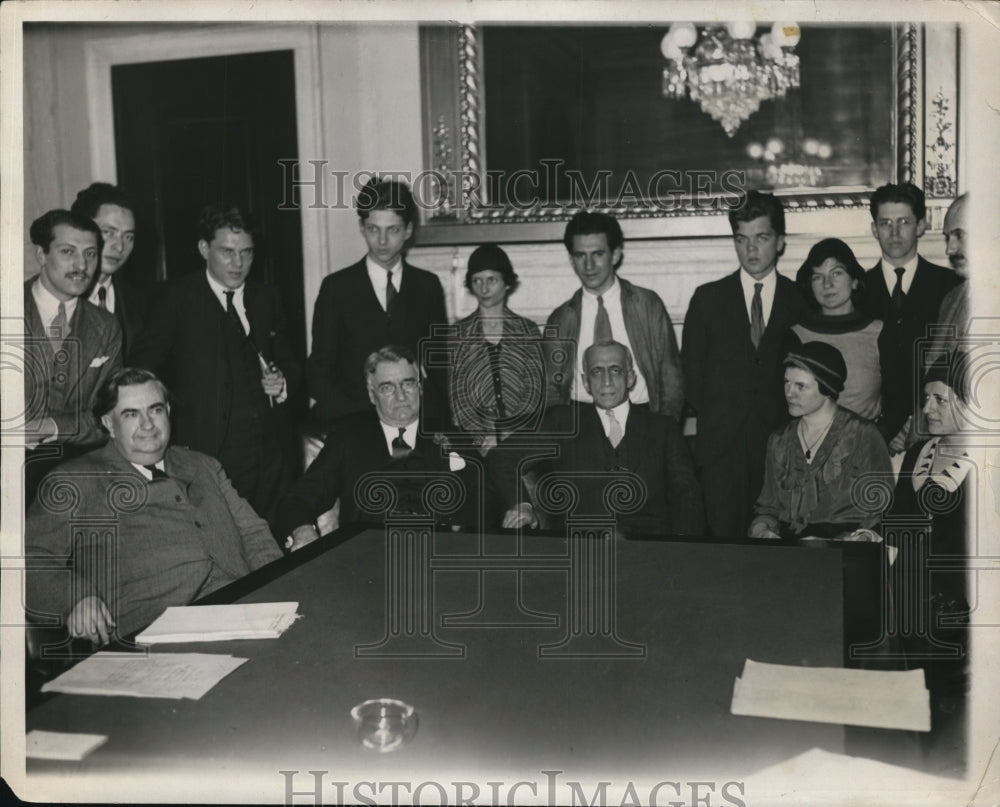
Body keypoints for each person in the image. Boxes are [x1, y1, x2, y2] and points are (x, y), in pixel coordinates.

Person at [25, 368, 283, 645]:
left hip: (246, 610)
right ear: (109, 424)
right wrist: (74, 598)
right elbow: (26, 559)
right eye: (132, 414)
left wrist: (277, 589)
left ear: (168, 411)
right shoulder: (74, 481)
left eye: (155, 410)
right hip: (155, 635)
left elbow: (254, 533)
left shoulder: (203, 465)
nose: (148, 424)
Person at [129, 204, 301, 527]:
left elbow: (289, 361)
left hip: (271, 458)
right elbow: (142, 369)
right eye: (227, 252)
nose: (238, 263)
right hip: (207, 457)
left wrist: (283, 381)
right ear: (204, 249)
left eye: (247, 253)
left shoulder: (268, 297)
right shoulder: (175, 299)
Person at [682, 190, 809, 538]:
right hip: (720, 455)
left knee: (774, 557)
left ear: (780, 242)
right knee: (723, 557)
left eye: (761, 238)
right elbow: (692, 378)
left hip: (782, 455)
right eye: (742, 239)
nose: (751, 250)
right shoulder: (708, 299)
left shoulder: (799, 301)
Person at [276, 345, 484, 550]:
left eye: (408, 384)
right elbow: (298, 499)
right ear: (371, 394)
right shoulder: (347, 442)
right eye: (387, 388)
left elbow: (486, 494)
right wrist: (303, 531)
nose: (401, 396)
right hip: (370, 560)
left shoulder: (453, 437)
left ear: (420, 387)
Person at [498, 341, 704, 537]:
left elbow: (687, 497)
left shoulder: (663, 428)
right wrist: (522, 506)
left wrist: (680, 551)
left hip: (649, 552)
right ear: (586, 382)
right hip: (581, 551)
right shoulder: (562, 422)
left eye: (615, 370)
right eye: (597, 371)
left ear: (630, 378)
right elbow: (503, 458)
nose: (607, 381)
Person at [307, 177, 449, 430]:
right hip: (352, 423)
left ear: (408, 230)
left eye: (392, 230)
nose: (382, 241)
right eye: (373, 229)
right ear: (362, 227)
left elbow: (438, 368)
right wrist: (354, 420)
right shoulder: (336, 288)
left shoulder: (428, 286)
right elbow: (319, 371)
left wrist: (430, 419)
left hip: (414, 422)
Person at [886, 353, 974, 752]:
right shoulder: (918, 452)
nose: (927, 409)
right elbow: (894, 527)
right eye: (926, 398)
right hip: (904, 603)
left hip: (958, 615)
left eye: (940, 399)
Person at [23, 209, 123, 504]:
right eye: (68, 251)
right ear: (41, 254)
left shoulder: (105, 327)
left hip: (77, 479)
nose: (82, 265)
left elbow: (108, 417)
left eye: (91, 254)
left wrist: (52, 426)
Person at [544, 210, 683, 418]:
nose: (589, 266)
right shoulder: (561, 318)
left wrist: (663, 435)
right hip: (582, 421)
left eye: (598, 254)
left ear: (615, 254)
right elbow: (550, 390)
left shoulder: (647, 305)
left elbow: (671, 380)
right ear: (572, 260)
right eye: (580, 255)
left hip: (641, 418)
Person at [749, 342, 892, 541]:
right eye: (786, 382)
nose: (789, 393)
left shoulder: (863, 436)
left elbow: (881, 512)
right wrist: (762, 529)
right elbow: (768, 507)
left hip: (842, 550)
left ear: (827, 389)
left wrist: (859, 539)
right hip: (789, 550)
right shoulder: (780, 440)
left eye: (801, 386)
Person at [862, 182, 960, 442]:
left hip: (931, 428)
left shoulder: (950, 286)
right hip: (873, 434)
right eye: (885, 223)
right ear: (874, 229)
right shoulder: (857, 289)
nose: (894, 233)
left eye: (904, 222)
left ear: (920, 226)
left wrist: (916, 422)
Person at [448, 244, 545, 453]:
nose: (484, 289)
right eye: (477, 280)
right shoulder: (458, 334)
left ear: (507, 283)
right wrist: (482, 438)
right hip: (475, 440)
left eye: (492, 280)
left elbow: (535, 390)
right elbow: (458, 395)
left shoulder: (527, 331)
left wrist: (507, 434)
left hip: (522, 436)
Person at [792, 238, 884, 420]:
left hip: (867, 442)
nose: (827, 284)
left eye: (836, 273)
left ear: (855, 281)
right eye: (818, 277)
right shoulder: (796, 334)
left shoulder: (879, 332)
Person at [70, 182, 149, 356]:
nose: (120, 247)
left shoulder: (143, 304)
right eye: (108, 232)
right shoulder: (47, 297)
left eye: (128, 236)